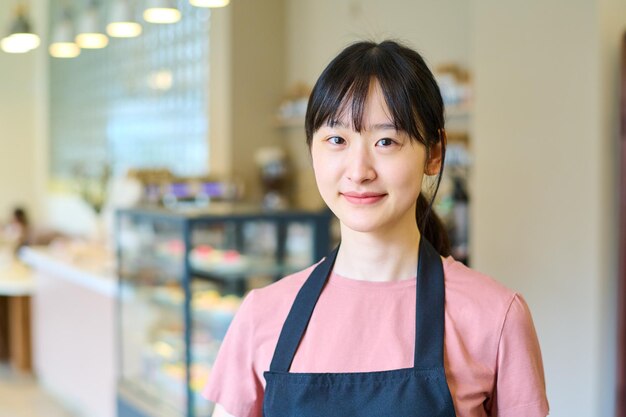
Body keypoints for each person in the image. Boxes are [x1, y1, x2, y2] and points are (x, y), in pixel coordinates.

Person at [203, 40, 549, 417]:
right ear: (312, 152)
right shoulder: (262, 315)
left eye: (386, 141)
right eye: (337, 140)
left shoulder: (496, 316)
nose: (358, 171)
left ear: (433, 154)